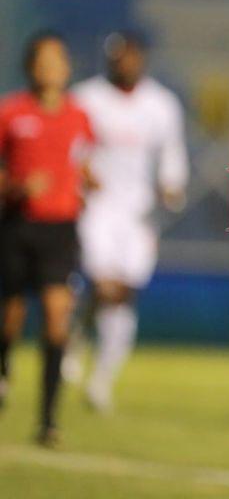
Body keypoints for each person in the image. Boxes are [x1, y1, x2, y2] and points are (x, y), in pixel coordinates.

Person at [66, 32, 188, 412]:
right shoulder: (87, 98)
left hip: (139, 214)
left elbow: (171, 155)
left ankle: (102, 378)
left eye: (132, 57)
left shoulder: (161, 105)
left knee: (124, 293)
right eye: (119, 58)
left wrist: (171, 186)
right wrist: (82, 174)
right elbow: (70, 150)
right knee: (104, 286)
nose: (126, 64)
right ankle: (76, 340)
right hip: (97, 209)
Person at [0, 31, 95, 446]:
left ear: (67, 68)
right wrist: (17, 187)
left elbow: (83, 161)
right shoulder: (10, 113)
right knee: (12, 316)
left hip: (60, 228)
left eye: (58, 61)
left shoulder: (79, 117)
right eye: (44, 61)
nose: (51, 69)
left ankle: (48, 419)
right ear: (30, 67)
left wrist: (90, 181)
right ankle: (4, 372)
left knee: (57, 317)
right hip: (17, 226)